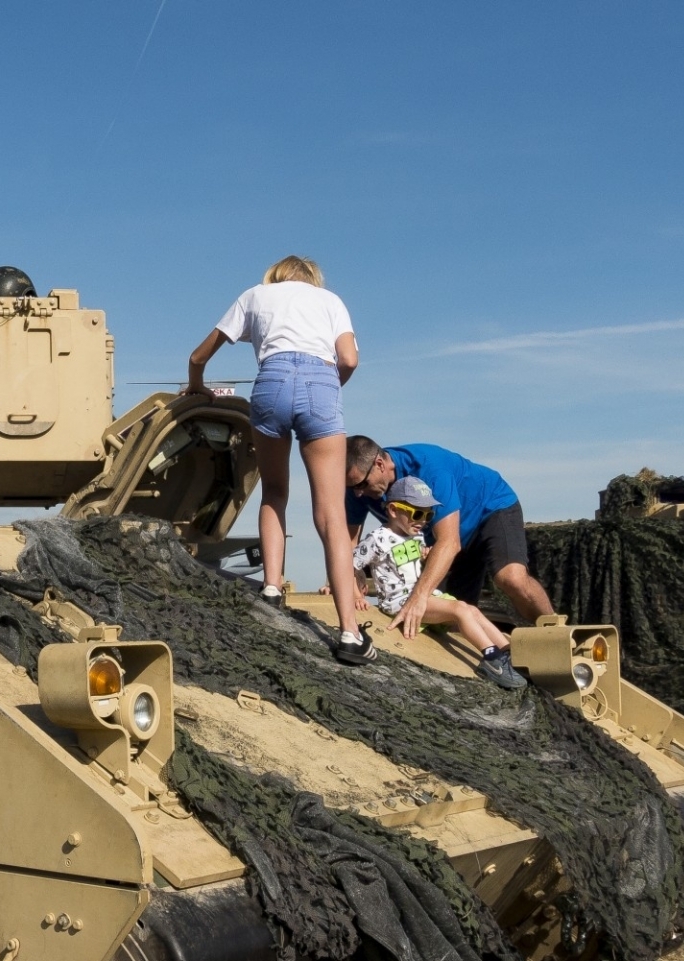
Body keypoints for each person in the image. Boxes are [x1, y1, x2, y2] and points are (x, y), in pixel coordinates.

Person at [184, 255, 372, 665]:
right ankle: (350, 634)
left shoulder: (256, 295)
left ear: (276, 276)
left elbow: (199, 356)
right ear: (311, 279)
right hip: (321, 383)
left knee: (274, 492)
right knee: (331, 513)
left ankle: (271, 587)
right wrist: (326, 389)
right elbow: (350, 359)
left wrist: (197, 386)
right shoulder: (330, 300)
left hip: (270, 382)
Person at [345, 436, 555, 638]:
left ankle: (555, 632)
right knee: (451, 621)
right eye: (351, 487)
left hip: (489, 509)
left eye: (361, 485)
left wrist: (419, 597)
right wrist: (347, 582)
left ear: (380, 464)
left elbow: (449, 542)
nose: (357, 494)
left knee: (511, 578)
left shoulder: (429, 468)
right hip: (446, 540)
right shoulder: (358, 488)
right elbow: (348, 545)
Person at [353, 477, 527, 689]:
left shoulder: (415, 536)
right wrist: (354, 592)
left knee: (471, 610)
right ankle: (492, 659)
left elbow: (409, 566)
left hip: (422, 596)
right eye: (417, 514)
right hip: (400, 602)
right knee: (460, 610)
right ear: (392, 510)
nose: (423, 521)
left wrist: (425, 557)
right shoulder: (378, 538)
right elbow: (350, 563)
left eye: (429, 515)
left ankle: (510, 654)